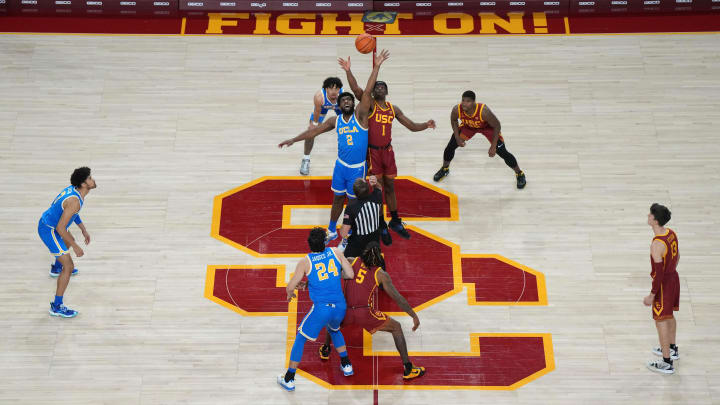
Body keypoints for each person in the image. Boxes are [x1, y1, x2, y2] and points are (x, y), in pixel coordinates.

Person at [279, 50, 391, 243]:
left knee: (354, 202)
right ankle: (331, 230)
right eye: (343, 100)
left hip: (357, 168)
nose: (347, 101)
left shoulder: (361, 116)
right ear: (339, 104)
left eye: (349, 100)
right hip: (340, 167)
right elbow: (313, 132)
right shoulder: (334, 121)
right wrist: (294, 139)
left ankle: (347, 234)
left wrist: (376, 66)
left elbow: (367, 90)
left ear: (354, 104)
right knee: (338, 199)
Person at [338, 56, 436, 239]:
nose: (379, 87)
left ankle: (396, 220)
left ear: (387, 91)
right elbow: (357, 89)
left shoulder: (393, 109)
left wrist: (426, 125)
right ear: (374, 92)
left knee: (390, 186)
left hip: (388, 152)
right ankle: (381, 223)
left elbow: (411, 126)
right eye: (377, 86)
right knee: (377, 188)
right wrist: (348, 70)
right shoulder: (371, 105)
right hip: (372, 152)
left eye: (383, 86)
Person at [318, 241, 426, 380]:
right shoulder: (381, 274)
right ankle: (408, 368)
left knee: (333, 320)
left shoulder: (351, 260)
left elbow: (331, 272)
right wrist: (413, 315)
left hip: (346, 310)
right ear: (379, 257)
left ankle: (326, 349)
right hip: (365, 313)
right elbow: (398, 298)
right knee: (397, 327)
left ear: (364, 253)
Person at [277, 227, 356, 392]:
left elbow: (290, 286)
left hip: (322, 309)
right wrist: (329, 277)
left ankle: (289, 378)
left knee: (300, 338)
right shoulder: (335, 252)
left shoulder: (305, 261)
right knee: (334, 330)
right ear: (325, 242)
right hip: (340, 306)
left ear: (309, 244)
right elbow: (350, 274)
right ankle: (346, 364)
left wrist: (290, 294)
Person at [433, 90, 526, 189]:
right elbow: (454, 120)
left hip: (488, 128)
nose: (464, 103)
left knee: (503, 152)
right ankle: (445, 169)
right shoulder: (457, 109)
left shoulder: (484, 111)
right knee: (450, 147)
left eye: (468, 101)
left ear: (474, 102)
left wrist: (493, 146)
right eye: (463, 100)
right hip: (469, 127)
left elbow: (497, 126)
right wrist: (457, 138)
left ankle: (519, 173)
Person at [38, 167, 97, 318]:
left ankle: (56, 268)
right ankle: (57, 306)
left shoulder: (75, 191)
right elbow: (61, 228)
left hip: (51, 223)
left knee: (68, 242)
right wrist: (77, 247)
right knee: (69, 266)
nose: (93, 180)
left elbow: (72, 213)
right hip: (49, 229)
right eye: (90, 178)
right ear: (83, 184)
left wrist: (83, 229)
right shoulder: (74, 200)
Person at [644, 203, 680, 374]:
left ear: (655, 221)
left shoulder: (657, 245)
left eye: (650, 214)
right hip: (674, 278)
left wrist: (652, 295)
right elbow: (678, 255)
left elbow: (658, 275)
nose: (648, 216)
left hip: (664, 284)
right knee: (670, 315)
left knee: (660, 321)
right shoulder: (671, 233)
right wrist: (671, 270)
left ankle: (667, 362)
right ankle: (672, 348)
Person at [340, 176, 392, 260]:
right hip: (374, 240)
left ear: (354, 193)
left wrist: (341, 229)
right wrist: (375, 183)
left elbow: (343, 233)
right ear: (368, 189)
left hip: (358, 243)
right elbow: (379, 187)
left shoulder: (351, 206)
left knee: (346, 261)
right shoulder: (377, 196)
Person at [300, 77, 344, 175]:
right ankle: (306, 159)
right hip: (322, 108)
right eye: (331, 88)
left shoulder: (343, 96)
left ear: (339, 89)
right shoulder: (319, 96)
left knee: (349, 130)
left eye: (336, 89)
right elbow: (317, 112)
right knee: (310, 132)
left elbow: (347, 113)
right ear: (326, 89)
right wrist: (314, 125)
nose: (333, 91)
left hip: (339, 108)